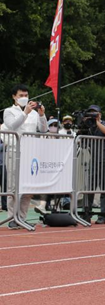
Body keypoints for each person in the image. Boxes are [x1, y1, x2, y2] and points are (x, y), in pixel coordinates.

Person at [2, 84, 46, 229]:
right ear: (14, 96)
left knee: (28, 188)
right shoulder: (9, 111)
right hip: (14, 151)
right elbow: (12, 126)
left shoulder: (33, 113)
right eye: (21, 95)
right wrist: (25, 113)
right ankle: (12, 218)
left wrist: (41, 115)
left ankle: (22, 217)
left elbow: (43, 129)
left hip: (31, 152)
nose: (24, 98)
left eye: (26, 95)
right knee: (13, 187)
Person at [79, 105, 105, 224]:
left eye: (95, 113)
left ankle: (102, 215)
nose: (92, 116)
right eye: (90, 113)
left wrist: (97, 121)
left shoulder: (104, 123)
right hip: (93, 160)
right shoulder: (88, 125)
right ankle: (86, 214)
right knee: (89, 188)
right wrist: (83, 125)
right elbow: (82, 143)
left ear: (100, 114)